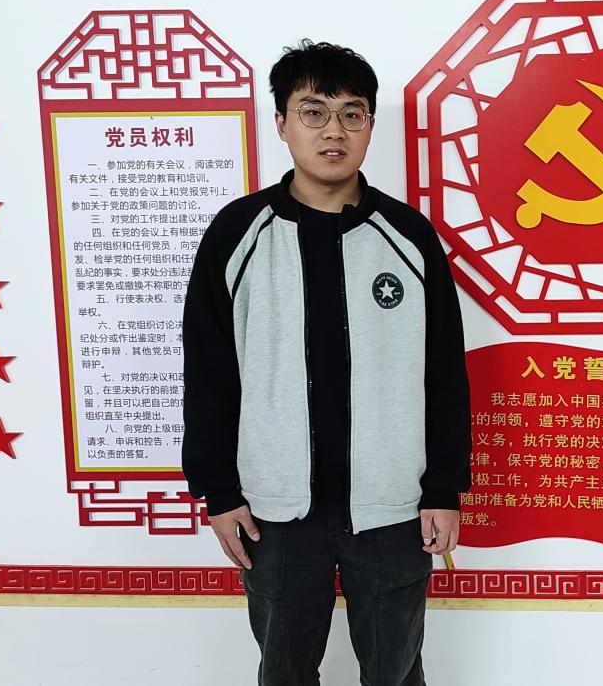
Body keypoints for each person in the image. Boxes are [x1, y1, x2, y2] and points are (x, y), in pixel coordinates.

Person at [182, 40, 471, 686]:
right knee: (284, 670)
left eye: (352, 113)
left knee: (395, 672)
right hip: (274, 510)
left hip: (394, 507)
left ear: (370, 124)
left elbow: (444, 372)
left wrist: (443, 487)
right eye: (313, 112)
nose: (333, 130)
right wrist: (219, 491)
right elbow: (208, 371)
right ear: (281, 123)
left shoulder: (409, 235)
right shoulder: (237, 233)